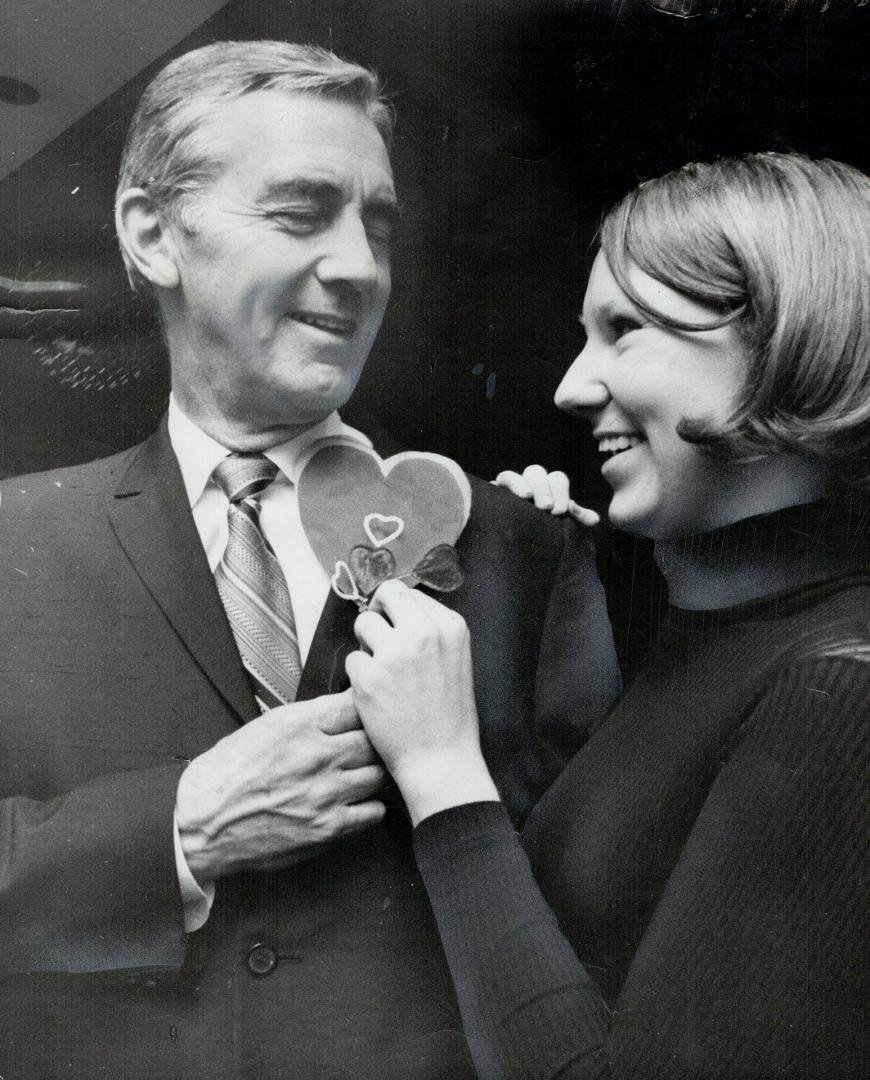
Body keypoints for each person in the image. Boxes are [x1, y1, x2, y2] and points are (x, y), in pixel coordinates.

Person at [0, 40, 620, 1080]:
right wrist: (177, 832)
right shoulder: (10, 543)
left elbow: (599, 915)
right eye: (301, 214)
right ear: (153, 234)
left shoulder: (520, 548)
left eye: (377, 224)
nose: (359, 267)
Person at [347, 153, 870, 1079]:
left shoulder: (842, 685)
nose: (570, 388)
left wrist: (441, 774)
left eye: (623, 331)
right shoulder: (716, 628)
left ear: (788, 336)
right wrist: (574, 575)